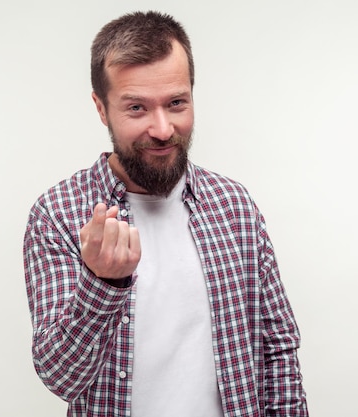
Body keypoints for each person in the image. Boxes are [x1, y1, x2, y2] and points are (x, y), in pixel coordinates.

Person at [23, 10, 308, 417]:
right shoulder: (58, 214)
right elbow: (61, 377)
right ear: (101, 109)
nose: (161, 128)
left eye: (176, 103)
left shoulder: (235, 206)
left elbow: (277, 351)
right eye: (136, 108)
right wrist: (102, 283)